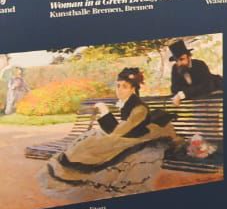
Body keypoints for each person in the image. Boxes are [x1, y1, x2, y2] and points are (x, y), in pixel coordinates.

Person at [41, 67, 180, 194]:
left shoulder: (139, 108)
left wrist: (105, 112)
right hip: (124, 135)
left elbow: (118, 132)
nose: (119, 90)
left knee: (95, 144)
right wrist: (106, 114)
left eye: (124, 87)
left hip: (134, 138)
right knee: (90, 141)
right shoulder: (127, 103)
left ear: (133, 89)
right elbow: (118, 130)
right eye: (118, 85)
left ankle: (73, 173)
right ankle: (68, 170)